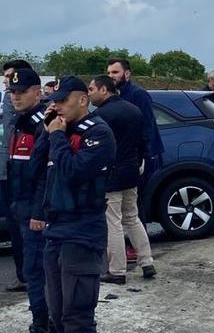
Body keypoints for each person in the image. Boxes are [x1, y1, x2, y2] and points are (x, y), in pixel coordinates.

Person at [42, 76, 117, 333]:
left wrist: (57, 137)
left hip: (82, 232)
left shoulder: (98, 132)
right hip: (56, 231)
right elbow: (41, 169)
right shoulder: (60, 130)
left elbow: (73, 172)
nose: (58, 106)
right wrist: (48, 129)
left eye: (63, 101)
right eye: (54, 101)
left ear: (83, 99)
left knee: (77, 317)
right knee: (56, 314)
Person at [88, 76, 156, 285]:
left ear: (103, 89)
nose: (89, 94)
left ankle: (117, 270)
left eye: (91, 89)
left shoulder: (101, 115)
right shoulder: (133, 109)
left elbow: (97, 147)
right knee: (132, 217)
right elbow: (144, 139)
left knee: (113, 222)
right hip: (131, 171)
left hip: (111, 174)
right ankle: (147, 261)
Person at [6, 68, 51, 331]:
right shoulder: (21, 121)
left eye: (21, 92)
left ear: (37, 91)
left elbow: (45, 174)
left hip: (36, 212)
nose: (16, 97)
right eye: (13, 92)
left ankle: (43, 322)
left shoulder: (39, 123)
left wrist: (38, 212)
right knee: (34, 269)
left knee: (38, 271)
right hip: (21, 207)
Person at [106, 59, 163, 218]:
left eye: (115, 72)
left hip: (140, 156)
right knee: (130, 202)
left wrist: (145, 156)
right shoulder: (115, 95)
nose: (111, 76)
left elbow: (148, 126)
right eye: (109, 73)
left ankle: (138, 240)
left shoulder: (137, 94)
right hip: (124, 156)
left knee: (137, 200)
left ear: (127, 74)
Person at [1, 59, 33, 293]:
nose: (11, 90)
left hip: (15, 171)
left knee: (21, 226)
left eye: (11, 78)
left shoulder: (28, 111)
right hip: (9, 170)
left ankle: (27, 275)